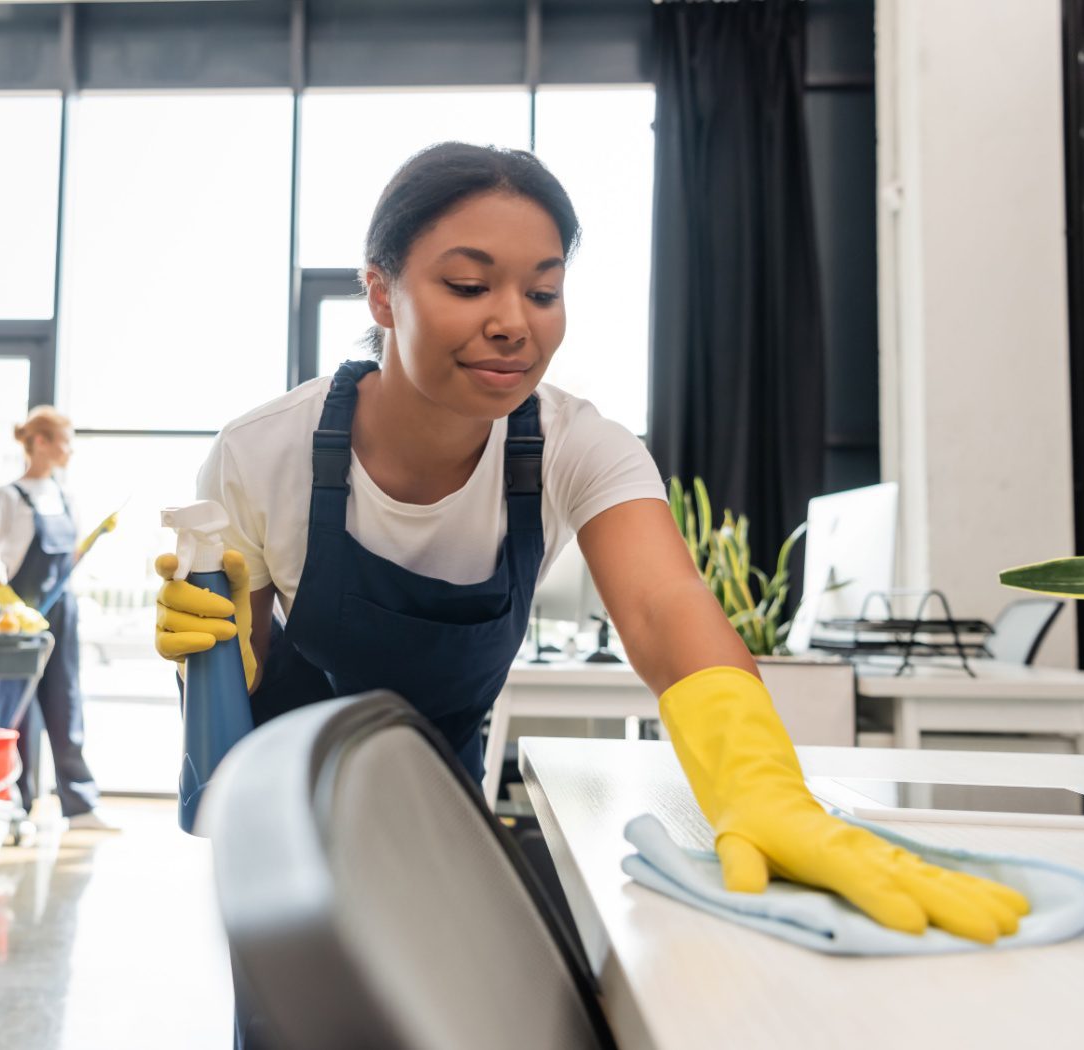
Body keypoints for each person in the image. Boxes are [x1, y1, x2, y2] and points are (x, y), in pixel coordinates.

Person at [155, 144, 1028, 1028]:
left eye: (542, 291)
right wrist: (209, 651)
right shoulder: (261, 453)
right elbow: (239, 681)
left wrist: (760, 787)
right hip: (290, 829)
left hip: (438, 806)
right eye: (468, 286)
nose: (513, 323)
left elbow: (663, 607)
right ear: (381, 292)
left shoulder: (575, 445)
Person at [0, 406, 114, 831]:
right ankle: (15, 805)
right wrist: (9, 602)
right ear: (40, 442)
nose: (69, 450)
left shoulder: (64, 494)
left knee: (65, 703)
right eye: (64, 440)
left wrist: (93, 539)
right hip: (19, 615)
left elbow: (67, 560)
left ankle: (79, 806)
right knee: (15, 711)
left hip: (62, 611)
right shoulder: (7, 496)